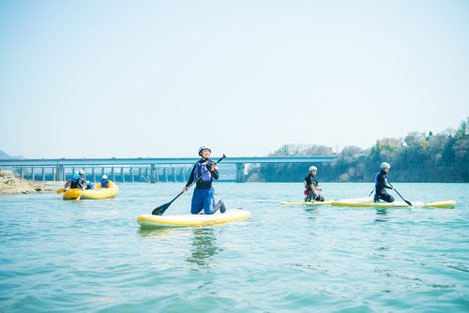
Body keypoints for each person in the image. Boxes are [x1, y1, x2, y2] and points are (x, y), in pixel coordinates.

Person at [182, 145, 226, 214]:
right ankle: (204, 206)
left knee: (209, 212)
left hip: (207, 191)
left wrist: (213, 170)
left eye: (208, 151)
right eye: (205, 151)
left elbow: (217, 177)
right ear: (200, 153)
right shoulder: (197, 164)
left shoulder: (212, 164)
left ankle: (220, 204)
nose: (207, 152)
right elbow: (191, 177)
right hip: (197, 191)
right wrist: (186, 186)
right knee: (194, 212)